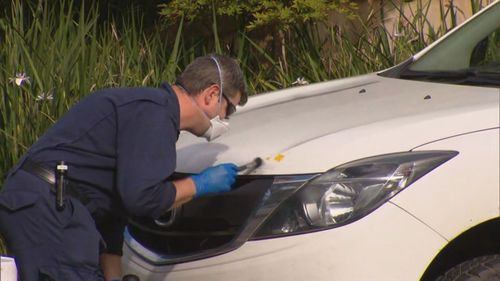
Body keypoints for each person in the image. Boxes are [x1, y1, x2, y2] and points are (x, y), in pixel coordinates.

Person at [0, 54, 248, 281]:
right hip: (51, 206)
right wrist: (200, 184)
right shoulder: (154, 114)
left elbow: (113, 213)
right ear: (212, 94)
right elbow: (143, 200)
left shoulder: (149, 111)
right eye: (230, 108)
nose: (226, 119)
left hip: (42, 204)